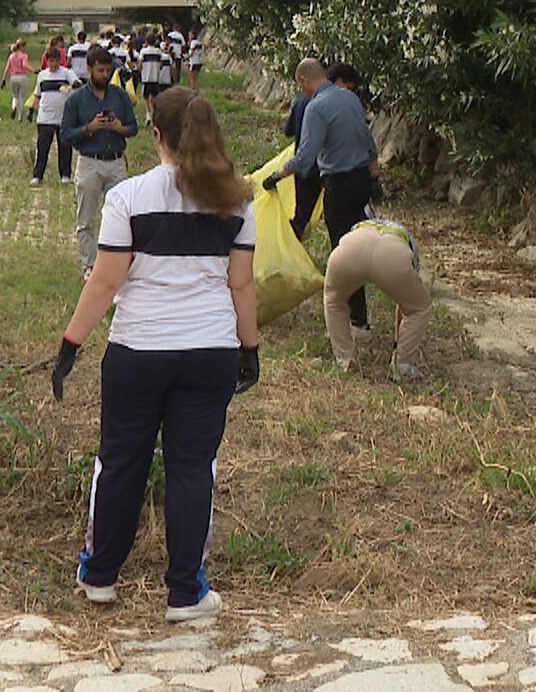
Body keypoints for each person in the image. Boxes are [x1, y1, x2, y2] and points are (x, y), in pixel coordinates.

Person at [51, 86, 260, 622]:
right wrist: (249, 346)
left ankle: (100, 576)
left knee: (121, 460)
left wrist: (71, 342)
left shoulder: (129, 199)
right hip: (210, 350)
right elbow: (241, 284)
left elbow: (105, 281)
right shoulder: (237, 200)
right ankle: (187, 592)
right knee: (193, 468)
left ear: (157, 134)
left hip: (139, 350)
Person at [263, 62, 380, 334]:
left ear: (304, 80)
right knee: (356, 245)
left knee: (342, 252)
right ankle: (358, 314)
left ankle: (355, 321)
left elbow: (305, 158)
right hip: (361, 180)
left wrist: (277, 176)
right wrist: (374, 179)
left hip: (339, 185)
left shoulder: (316, 107)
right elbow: (369, 141)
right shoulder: (350, 97)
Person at [60, 47, 139, 280]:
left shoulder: (120, 96)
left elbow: (133, 128)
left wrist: (119, 128)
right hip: (89, 162)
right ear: (90, 69)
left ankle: (120, 264)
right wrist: (89, 128)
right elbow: (65, 135)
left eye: (108, 71)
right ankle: (90, 265)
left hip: (115, 161)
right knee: (86, 217)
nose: (105, 75)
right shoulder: (76, 100)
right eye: (101, 70)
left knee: (122, 216)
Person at [323, 218, 430, 381]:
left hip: (351, 248)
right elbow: (405, 307)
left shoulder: (365, 224)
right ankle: (402, 366)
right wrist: (398, 342)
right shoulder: (408, 241)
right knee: (419, 308)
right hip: (393, 256)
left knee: (334, 300)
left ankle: (345, 360)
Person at [283, 59, 326, 241]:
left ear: (304, 80)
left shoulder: (301, 101)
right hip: (326, 166)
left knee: (302, 213)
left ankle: (292, 248)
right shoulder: (330, 101)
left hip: (304, 167)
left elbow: (288, 131)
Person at [31, 48, 77, 186]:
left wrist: (70, 86)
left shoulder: (66, 73)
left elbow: (76, 83)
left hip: (63, 117)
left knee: (65, 147)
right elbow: (37, 94)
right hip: (45, 117)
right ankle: (38, 175)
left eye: (56, 61)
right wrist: (32, 110)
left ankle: (65, 174)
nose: (53, 64)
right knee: (43, 147)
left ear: (60, 60)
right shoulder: (42, 75)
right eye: (51, 61)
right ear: (47, 61)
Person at [3, 40, 34, 122]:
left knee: (15, 96)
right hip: (22, 77)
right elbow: (24, 65)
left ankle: (14, 107)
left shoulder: (11, 56)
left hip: (13, 77)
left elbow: (7, 68)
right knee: (21, 97)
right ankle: (20, 117)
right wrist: (33, 70)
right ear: (21, 47)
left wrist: (4, 79)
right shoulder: (24, 56)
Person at [138, 36, 166, 122]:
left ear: (146, 41)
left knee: (146, 97)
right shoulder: (158, 52)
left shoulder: (143, 51)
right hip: (155, 77)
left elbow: (140, 64)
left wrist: (141, 71)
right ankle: (154, 114)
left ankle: (148, 114)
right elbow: (161, 65)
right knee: (154, 97)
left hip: (146, 77)